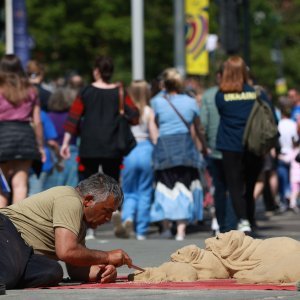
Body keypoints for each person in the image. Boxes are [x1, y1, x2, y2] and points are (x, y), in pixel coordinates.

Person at [0, 173, 133, 289]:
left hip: (23, 252)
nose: (109, 218)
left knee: (52, 271)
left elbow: (76, 268)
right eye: (107, 210)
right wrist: (108, 256)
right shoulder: (70, 199)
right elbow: (67, 251)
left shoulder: (80, 224)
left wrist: (103, 271)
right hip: (5, 229)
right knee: (8, 273)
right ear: (88, 200)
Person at [60, 55, 139, 240]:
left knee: (86, 184)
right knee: (112, 182)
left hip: (89, 145)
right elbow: (135, 116)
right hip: (113, 145)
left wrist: (65, 142)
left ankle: (88, 226)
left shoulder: (86, 91)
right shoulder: (120, 92)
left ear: (96, 70)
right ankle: (114, 210)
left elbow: (73, 118)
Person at [150, 68, 206, 241]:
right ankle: (181, 230)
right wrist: (203, 146)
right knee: (184, 186)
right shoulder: (191, 102)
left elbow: (155, 124)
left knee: (164, 186)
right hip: (185, 146)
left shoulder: (157, 102)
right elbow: (197, 127)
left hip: (164, 146)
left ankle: (166, 228)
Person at [215, 56, 266, 233]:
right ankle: (250, 218)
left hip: (229, 145)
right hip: (253, 145)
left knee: (234, 185)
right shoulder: (255, 93)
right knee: (250, 184)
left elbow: (222, 112)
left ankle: (243, 220)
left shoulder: (221, 95)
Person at [0, 54, 45, 207]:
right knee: (20, 185)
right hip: (25, 137)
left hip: (3, 136)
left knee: (2, 186)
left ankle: (1, 227)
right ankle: (16, 226)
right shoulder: (31, 90)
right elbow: (37, 121)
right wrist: (40, 146)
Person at [118, 80, 158, 240]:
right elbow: (154, 135)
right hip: (146, 150)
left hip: (129, 151)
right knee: (145, 191)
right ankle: (141, 230)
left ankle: (127, 217)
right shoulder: (149, 111)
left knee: (128, 191)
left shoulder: (125, 111)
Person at [200, 68, 237, 233]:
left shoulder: (209, 95)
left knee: (219, 188)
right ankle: (231, 225)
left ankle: (221, 225)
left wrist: (206, 143)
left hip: (215, 148)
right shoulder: (237, 93)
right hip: (235, 147)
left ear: (217, 75)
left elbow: (203, 124)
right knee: (234, 187)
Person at [28, 110, 61, 195]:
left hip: (14, 159)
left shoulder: (9, 111)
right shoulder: (41, 114)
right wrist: (60, 158)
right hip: (41, 161)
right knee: (36, 195)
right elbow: (51, 142)